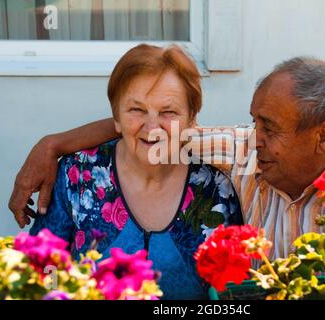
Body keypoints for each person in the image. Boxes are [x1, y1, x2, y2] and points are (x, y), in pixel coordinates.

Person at [10, 56, 325, 260]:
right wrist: (53, 144)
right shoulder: (246, 151)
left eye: (269, 128)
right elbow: (155, 129)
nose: (253, 139)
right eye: (253, 123)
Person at [27, 44, 243, 300]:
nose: (152, 126)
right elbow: (42, 266)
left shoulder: (217, 189)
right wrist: (53, 294)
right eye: (137, 110)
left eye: (168, 112)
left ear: (191, 118)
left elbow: (232, 292)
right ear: (116, 117)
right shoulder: (76, 175)